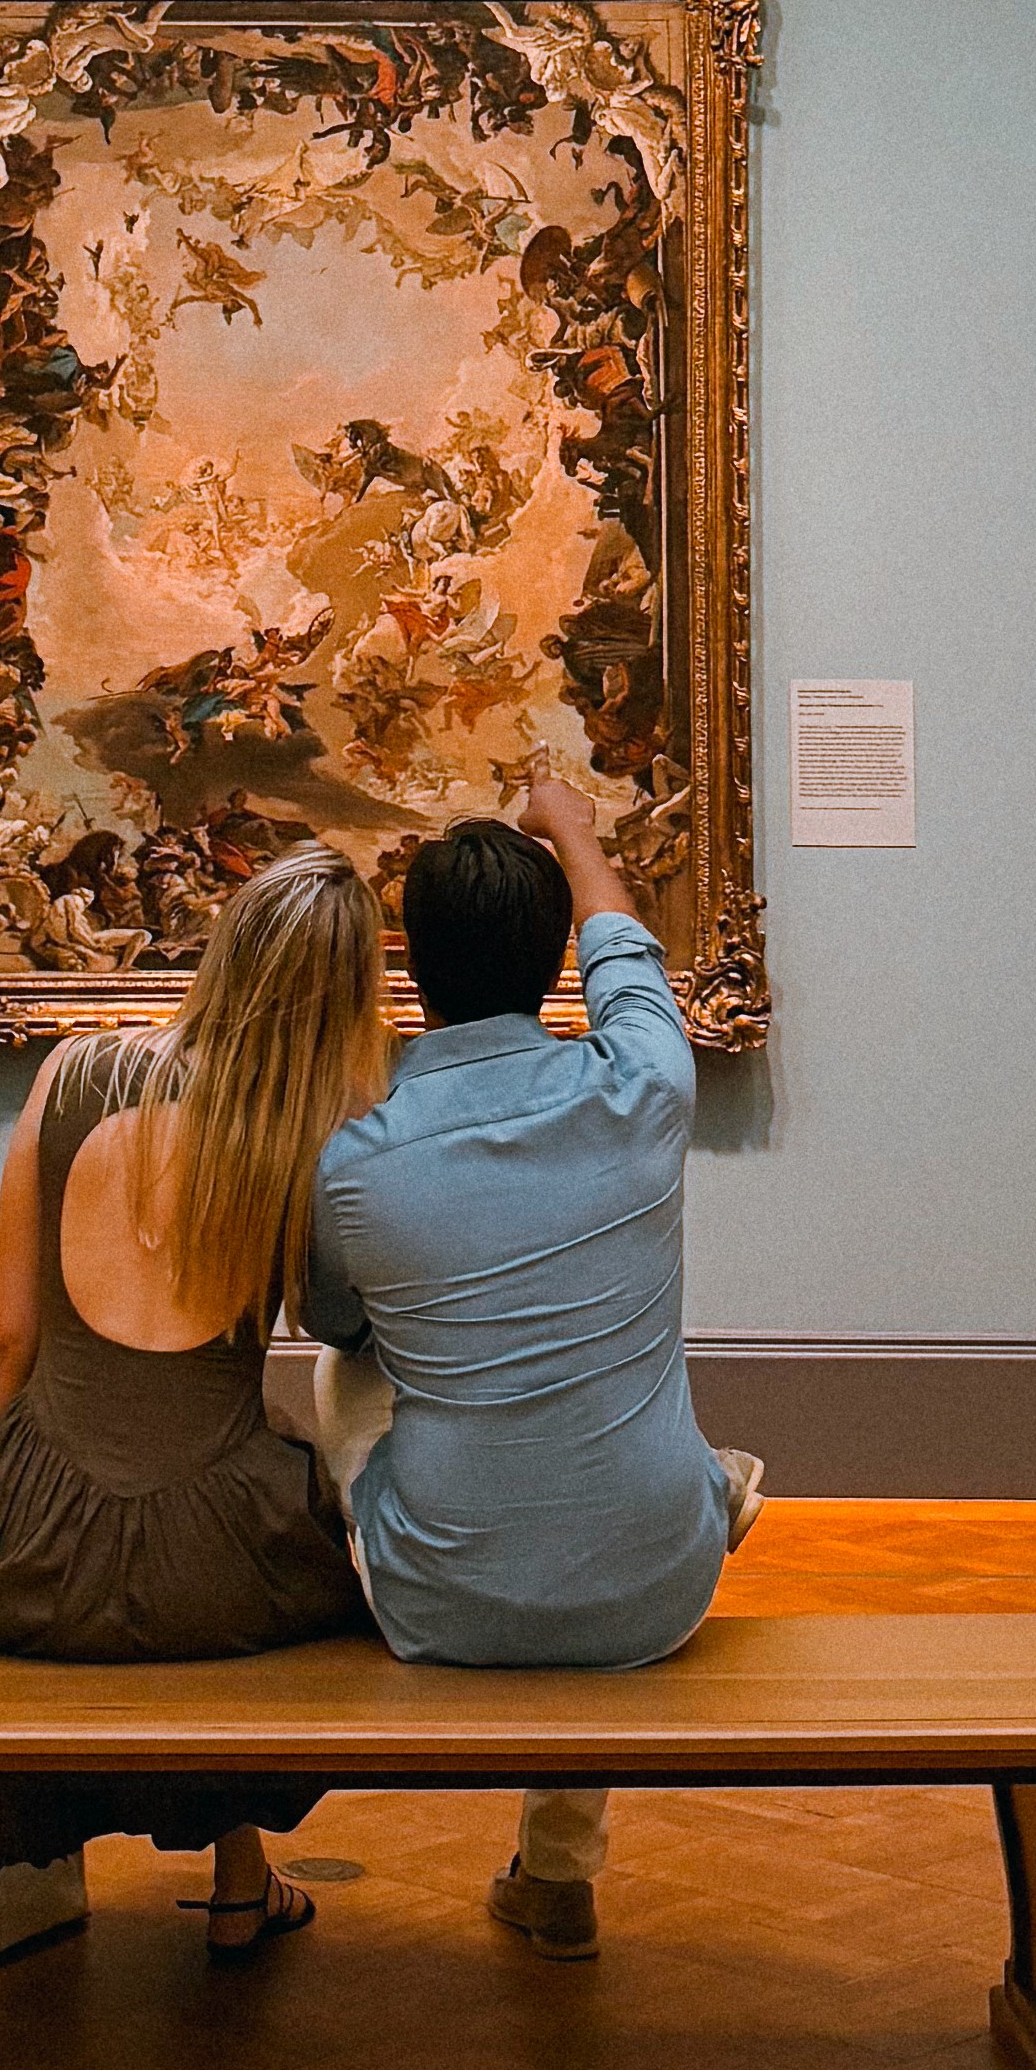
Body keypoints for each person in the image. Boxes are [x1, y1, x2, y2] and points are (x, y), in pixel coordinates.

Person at [0, 839, 382, 1961]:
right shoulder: (314, 1134)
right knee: (275, 1478)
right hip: (223, 1569)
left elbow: (13, 1335)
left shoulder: (70, 1071)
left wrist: (5, 1511)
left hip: (40, 1535)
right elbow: (336, 1321)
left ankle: (34, 1868)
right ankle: (241, 1879)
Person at [299, 779, 760, 1965]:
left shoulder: (355, 1162)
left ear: (412, 961)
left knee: (343, 1381)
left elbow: (339, 1323)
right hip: (656, 1587)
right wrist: (565, 819)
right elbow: (624, 944)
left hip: (442, 1595)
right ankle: (556, 1871)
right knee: (596, 1419)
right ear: (555, 957)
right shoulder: (646, 1084)